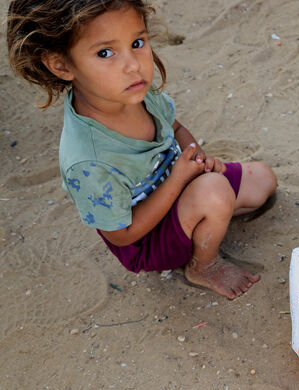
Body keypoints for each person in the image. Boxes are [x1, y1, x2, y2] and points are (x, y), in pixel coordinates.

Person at [6, 0, 278, 300]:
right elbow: (122, 236)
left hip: (185, 188)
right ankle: (204, 265)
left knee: (263, 180)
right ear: (62, 65)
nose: (133, 65)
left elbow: (174, 128)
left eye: (137, 42)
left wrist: (196, 157)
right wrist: (179, 179)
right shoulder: (87, 160)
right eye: (105, 53)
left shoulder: (136, 91)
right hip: (148, 240)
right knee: (215, 192)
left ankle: (206, 216)